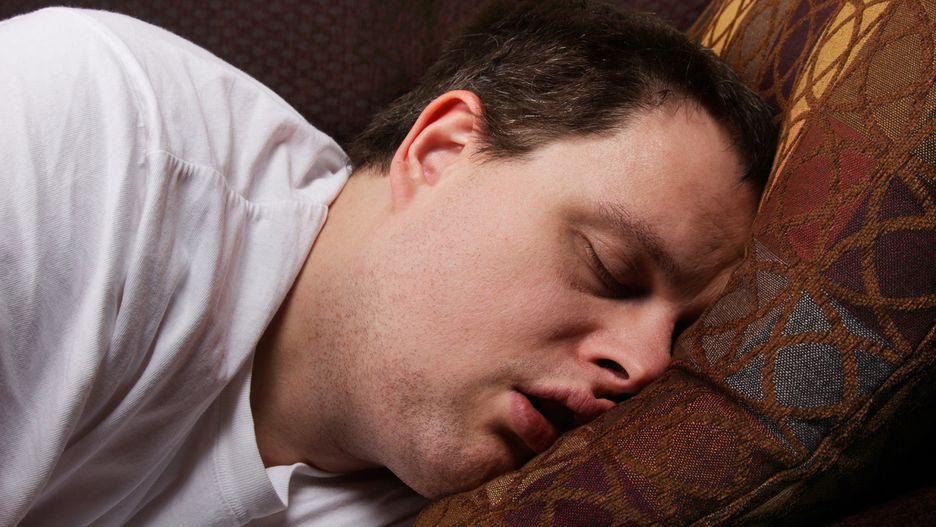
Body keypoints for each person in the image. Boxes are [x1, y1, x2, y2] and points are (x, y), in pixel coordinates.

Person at [0, 1, 776, 525]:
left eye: (680, 333)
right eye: (611, 268)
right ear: (441, 151)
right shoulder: (96, 133)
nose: (645, 366)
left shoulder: (502, 500)